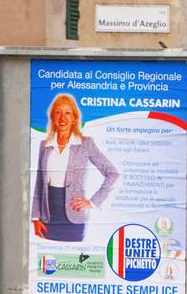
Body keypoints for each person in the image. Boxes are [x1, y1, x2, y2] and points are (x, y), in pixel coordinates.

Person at [30, 94, 120, 242]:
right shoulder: (45, 145)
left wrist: (92, 202)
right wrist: (35, 217)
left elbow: (112, 173)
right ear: (52, 117)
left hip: (74, 219)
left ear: (74, 118)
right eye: (58, 112)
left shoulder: (85, 144)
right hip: (47, 218)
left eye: (67, 113)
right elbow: (39, 183)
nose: (62, 118)